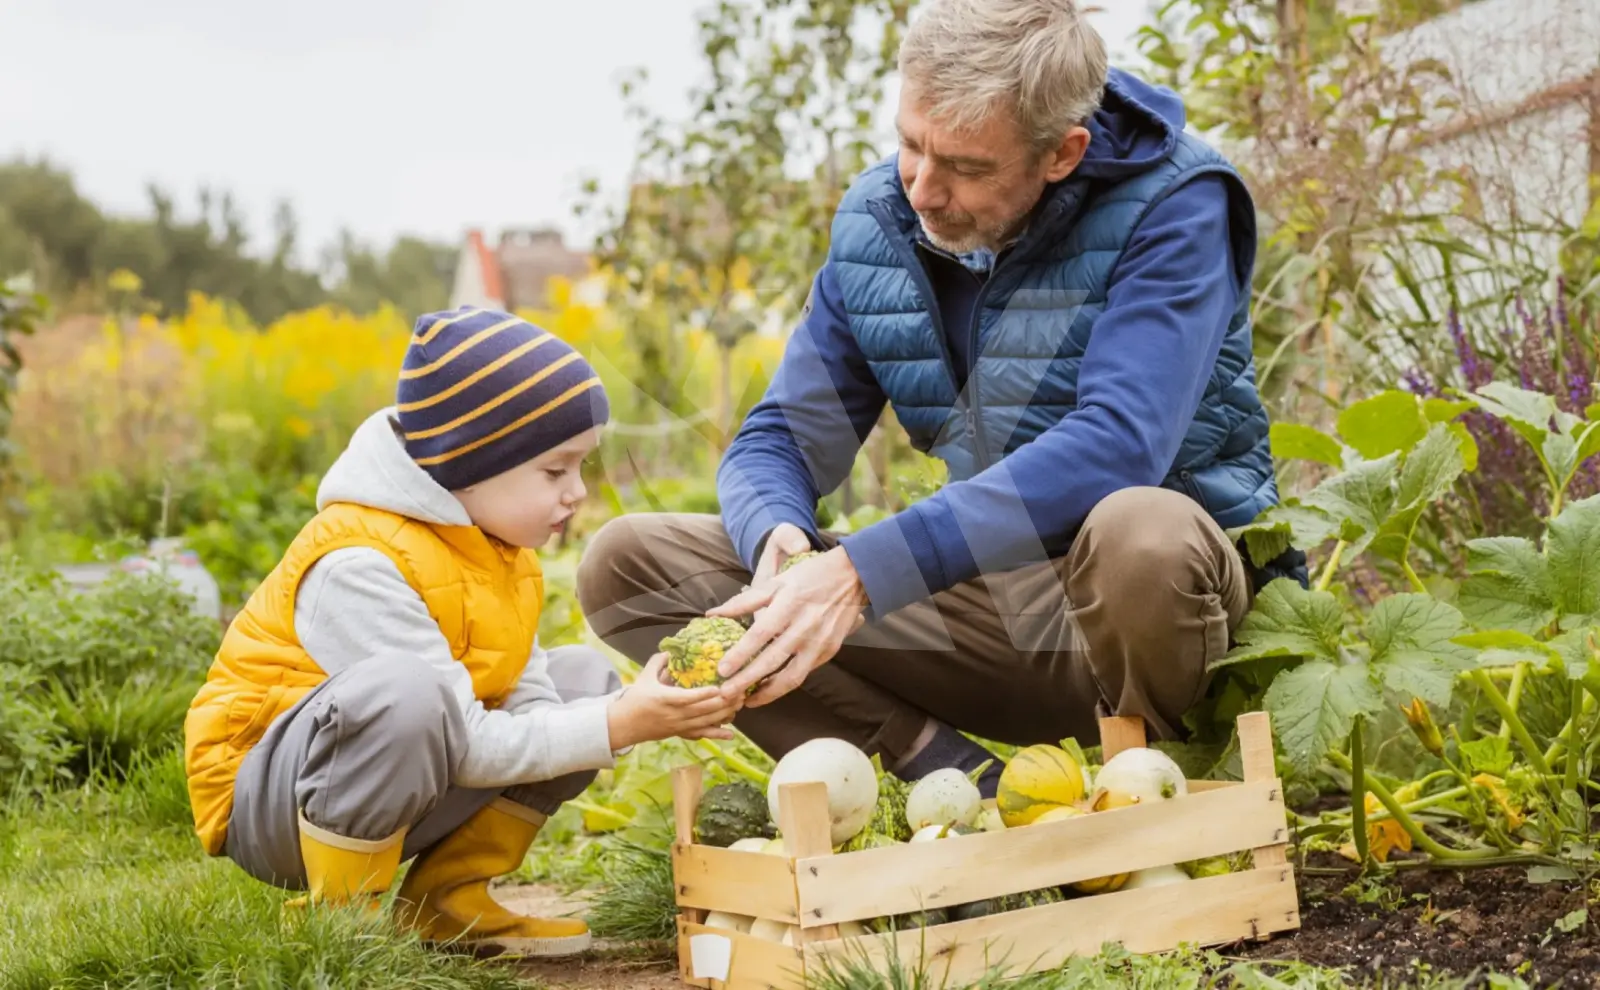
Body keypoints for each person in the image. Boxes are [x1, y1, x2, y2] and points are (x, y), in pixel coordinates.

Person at [576, 0, 1305, 798]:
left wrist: (862, 569)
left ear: (1063, 154)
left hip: (1157, 621)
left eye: (965, 167)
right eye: (909, 145)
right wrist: (777, 544)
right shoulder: (880, 221)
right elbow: (781, 435)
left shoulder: (1176, 204)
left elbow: (1119, 444)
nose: (922, 188)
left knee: (1142, 531)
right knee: (631, 565)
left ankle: (1153, 789)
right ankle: (954, 780)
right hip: (995, 609)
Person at [182, 307, 739, 957]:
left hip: (408, 771)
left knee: (582, 684)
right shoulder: (358, 564)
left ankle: (445, 901)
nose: (576, 493)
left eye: (580, 468)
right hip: (278, 804)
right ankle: (340, 927)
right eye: (555, 471)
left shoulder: (500, 554)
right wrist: (618, 725)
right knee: (408, 692)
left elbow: (530, 711)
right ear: (470, 462)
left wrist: (627, 708)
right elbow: (464, 741)